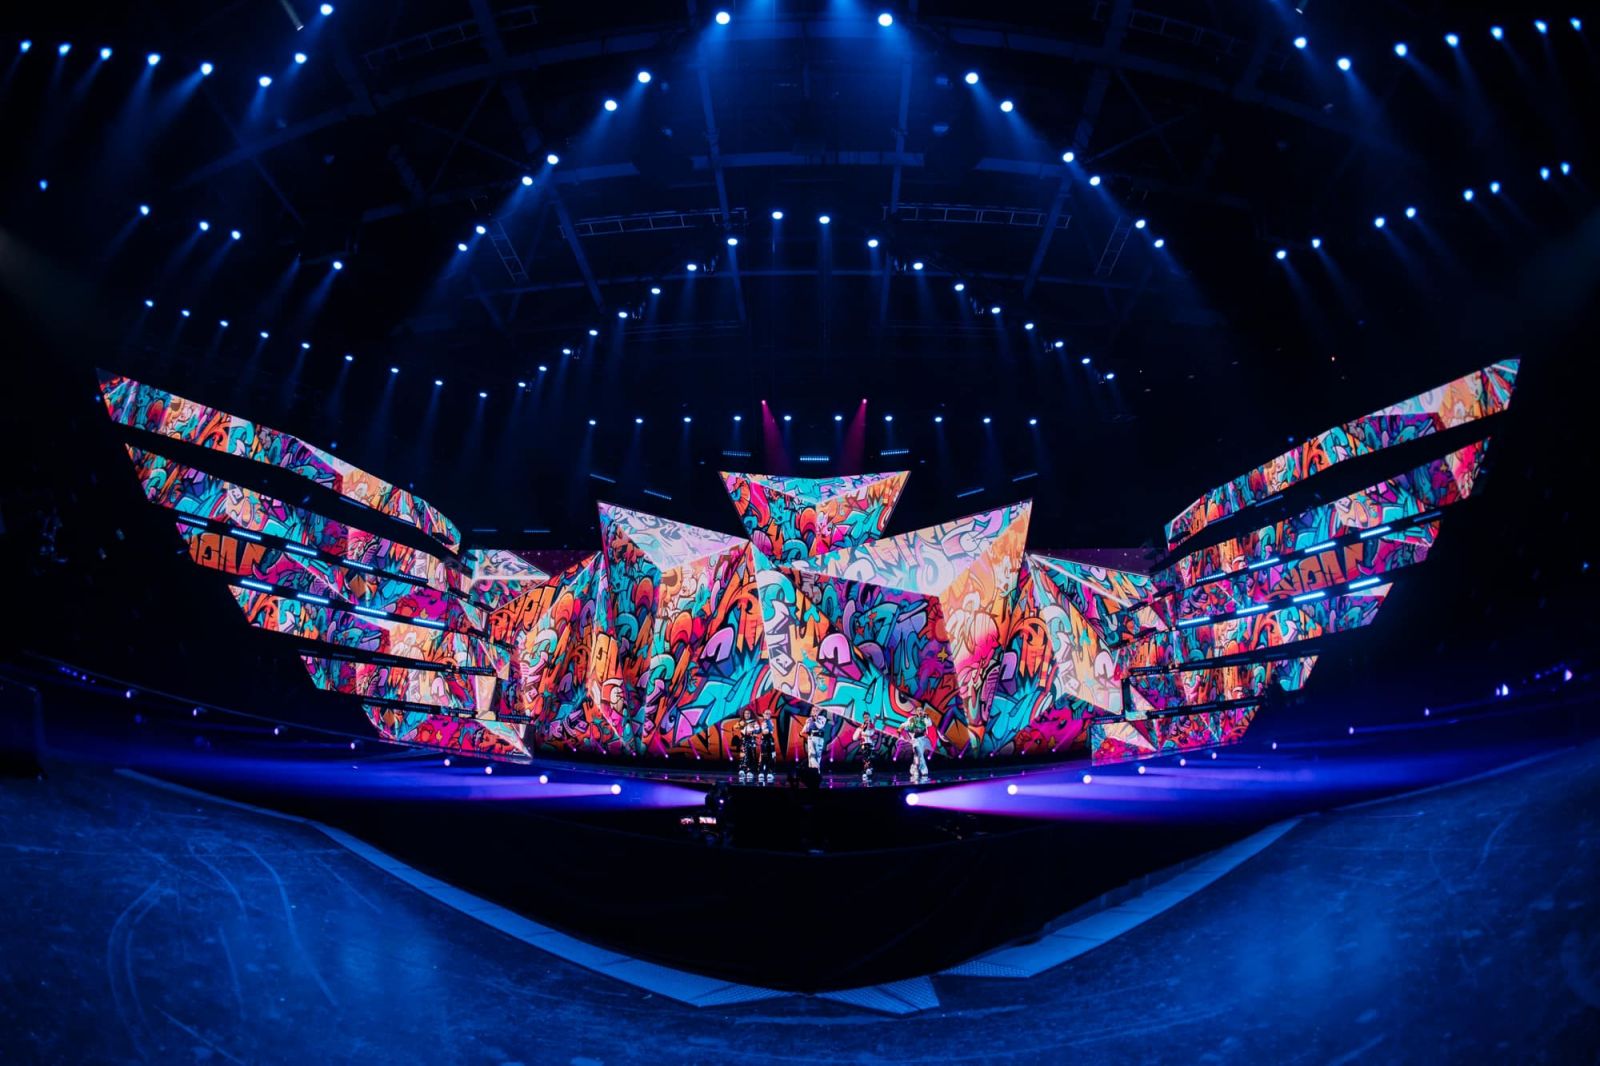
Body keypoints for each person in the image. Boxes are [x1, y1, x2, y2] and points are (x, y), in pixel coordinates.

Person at [904, 705, 934, 784]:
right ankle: (924, 771)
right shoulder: (912, 719)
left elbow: (930, 724)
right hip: (916, 740)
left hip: (923, 739)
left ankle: (913, 766)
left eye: (921, 710)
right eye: (918, 710)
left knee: (917, 755)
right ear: (916, 712)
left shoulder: (925, 718)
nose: (920, 711)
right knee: (919, 754)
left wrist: (926, 717)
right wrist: (911, 738)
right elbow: (907, 728)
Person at [801, 706, 829, 787]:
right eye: (813, 710)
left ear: (819, 712)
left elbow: (820, 726)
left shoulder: (822, 718)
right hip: (811, 738)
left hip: (819, 739)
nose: (815, 711)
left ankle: (816, 774)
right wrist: (803, 730)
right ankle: (813, 774)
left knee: (818, 757)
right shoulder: (809, 720)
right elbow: (805, 729)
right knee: (812, 756)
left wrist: (815, 719)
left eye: (816, 710)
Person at [737, 707, 760, 783]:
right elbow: (735, 727)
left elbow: (758, 730)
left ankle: (750, 771)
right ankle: (742, 769)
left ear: (751, 714)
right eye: (745, 713)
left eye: (748, 713)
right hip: (744, 740)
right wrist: (739, 725)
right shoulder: (741, 722)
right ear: (743, 714)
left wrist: (753, 731)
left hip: (751, 740)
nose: (747, 715)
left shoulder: (754, 722)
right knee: (743, 755)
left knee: (751, 755)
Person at [855, 714, 880, 784]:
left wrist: (875, 718)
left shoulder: (871, 725)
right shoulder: (862, 726)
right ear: (863, 718)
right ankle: (865, 773)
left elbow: (874, 723)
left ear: (869, 717)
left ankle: (868, 772)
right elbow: (862, 732)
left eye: (867, 717)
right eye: (865, 717)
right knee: (866, 759)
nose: (866, 718)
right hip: (864, 745)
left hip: (871, 745)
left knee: (870, 759)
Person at [757, 708, 778, 785]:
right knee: (763, 756)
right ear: (763, 714)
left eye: (769, 714)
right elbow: (759, 731)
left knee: (771, 757)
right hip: (764, 741)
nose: (768, 715)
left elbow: (768, 731)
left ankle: (770, 772)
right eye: (766, 713)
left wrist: (766, 725)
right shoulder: (762, 723)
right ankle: (761, 771)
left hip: (770, 741)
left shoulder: (771, 722)